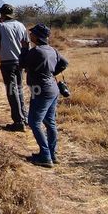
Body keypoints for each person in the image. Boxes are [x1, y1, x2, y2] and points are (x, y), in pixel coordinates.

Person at [18, 23, 68, 168]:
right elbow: (64, 63)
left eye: (32, 33)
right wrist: (52, 73)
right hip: (52, 88)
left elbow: (21, 64)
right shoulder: (52, 50)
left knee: (34, 122)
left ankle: (45, 156)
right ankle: (52, 153)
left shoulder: (36, 51)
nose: (30, 35)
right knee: (49, 122)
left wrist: (24, 48)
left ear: (37, 36)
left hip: (41, 89)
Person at [0, 3, 30, 132]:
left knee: (12, 91)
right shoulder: (21, 25)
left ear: (2, 14)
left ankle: (18, 121)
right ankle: (24, 117)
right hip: (20, 61)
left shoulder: (0, 26)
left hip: (7, 62)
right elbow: (26, 44)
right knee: (19, 89)